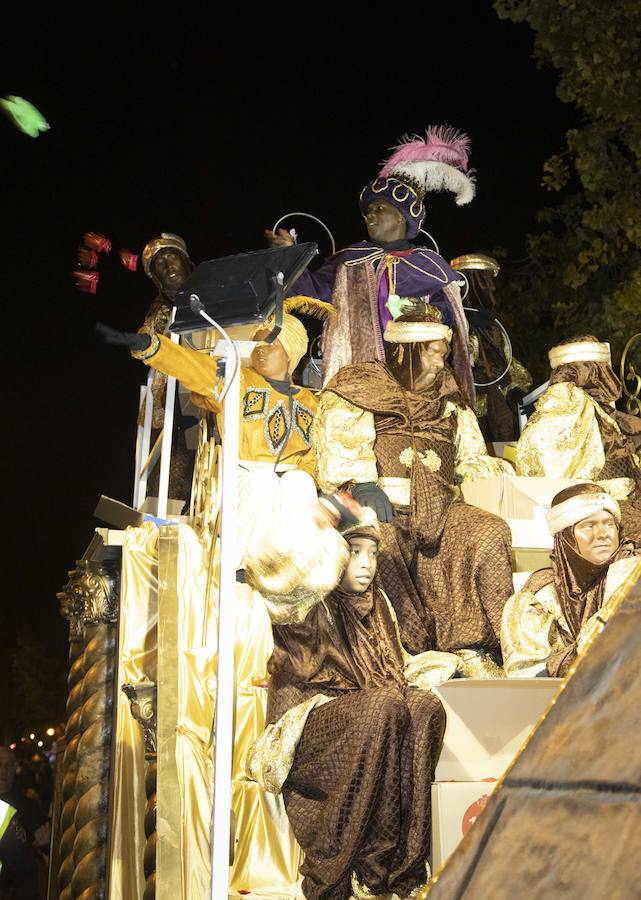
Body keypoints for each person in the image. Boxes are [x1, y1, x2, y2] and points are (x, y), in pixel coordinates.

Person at [98, 304, 353, 612]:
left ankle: (288, 570)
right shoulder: (237, 380)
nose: (260, 351)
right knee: (262, 484)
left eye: (270, 344)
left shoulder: (311, 402)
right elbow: (192, 367)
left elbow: (313, 457)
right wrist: (152, 347)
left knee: (300, 483)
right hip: (242, 477)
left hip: (287, 487)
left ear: (290, 352)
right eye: (256, 343)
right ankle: (235, 569)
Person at [247, 518, 446, 900]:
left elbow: (397, 666)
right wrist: (322, 530)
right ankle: (344, 872)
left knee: (424, 707)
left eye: (373, 553)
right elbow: (269, 567)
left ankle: (400, 873)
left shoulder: (380, 604)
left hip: (374, 714)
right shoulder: (308, 598)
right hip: (307, 721)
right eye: (354, 552)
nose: (367, 563)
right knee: (384, 706)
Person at [315, 303, 515, 666]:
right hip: (382, 503)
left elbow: (470, 459)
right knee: (382, 542)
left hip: (443, 506)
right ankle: (409, 652)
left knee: (489, 531)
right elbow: (340, 458)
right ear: (407, 352)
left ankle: (480, 648)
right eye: (435, 354)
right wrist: (362, 486)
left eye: (445, 355)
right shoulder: (363, 387)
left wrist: (497, 479)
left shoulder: (451, 399)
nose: (442, 363)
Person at [265, 126, 477, 400]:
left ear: (402, 217)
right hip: (360, 379)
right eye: (367, 212)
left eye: (379, 209)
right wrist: (288, 258)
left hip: (419, 384)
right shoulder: (350, 260)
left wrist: (425, 313)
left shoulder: (430, 265)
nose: (369, 216)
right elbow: (312, 289)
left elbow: (451, 323)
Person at [501, 482, 641, 678]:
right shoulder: (540, 594)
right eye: (588, 526)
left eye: (609, 524)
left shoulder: (630, 572)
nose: (602, 534)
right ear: (566, 537)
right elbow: (526, 674)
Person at [515, 334, 641, 539]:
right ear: (588, 371)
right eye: (601, 368)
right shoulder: (572, 406)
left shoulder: (592, 409)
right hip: (601, 508)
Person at [449, 253, 532, 440]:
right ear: (475, 283)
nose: (493, 287)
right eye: (486, 281)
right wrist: (487, 377)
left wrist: (513, 388)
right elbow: (455, 372)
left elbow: (507, 363)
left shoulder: (491, 324)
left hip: (501, 409)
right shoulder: (456, 325)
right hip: (475, 416)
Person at [0, 748, 45, 900]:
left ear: (15, 768)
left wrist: (46, 841)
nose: (3, 771)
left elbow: (45, 842)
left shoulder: (29, 805)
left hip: (21, 889)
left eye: (8, 765)